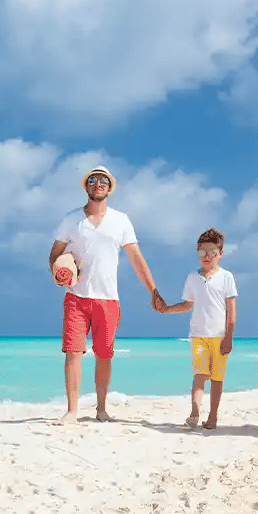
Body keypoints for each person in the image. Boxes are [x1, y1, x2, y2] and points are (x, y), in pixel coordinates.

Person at [48, 165, 165, 424]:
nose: (98, 183)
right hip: (76, 297)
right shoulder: (71, 219)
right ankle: (72, 411)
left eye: (103, 180)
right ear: (86, 186)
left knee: (104, 354)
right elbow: (54, 255)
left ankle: (101, 409)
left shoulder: (121, 220)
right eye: (92, 180)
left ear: (109, 187)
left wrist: (153, 290)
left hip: (108, 299)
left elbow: (136, 258)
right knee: (73, 353)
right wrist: (58, 273)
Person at [157, 228, 237, 430]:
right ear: (197, 252)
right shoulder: (192, 277)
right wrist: (167, 310)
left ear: (220, 254)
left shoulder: (227, 277)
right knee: (199, 375)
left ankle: (213, 416)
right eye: (202, 252)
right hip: (198, 335)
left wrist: (229, 337)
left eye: (212, 252)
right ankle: (194, 412)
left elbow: (231, 310)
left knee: (217, 379)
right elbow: (187, 304)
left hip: (219, 336)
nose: (207, 257)